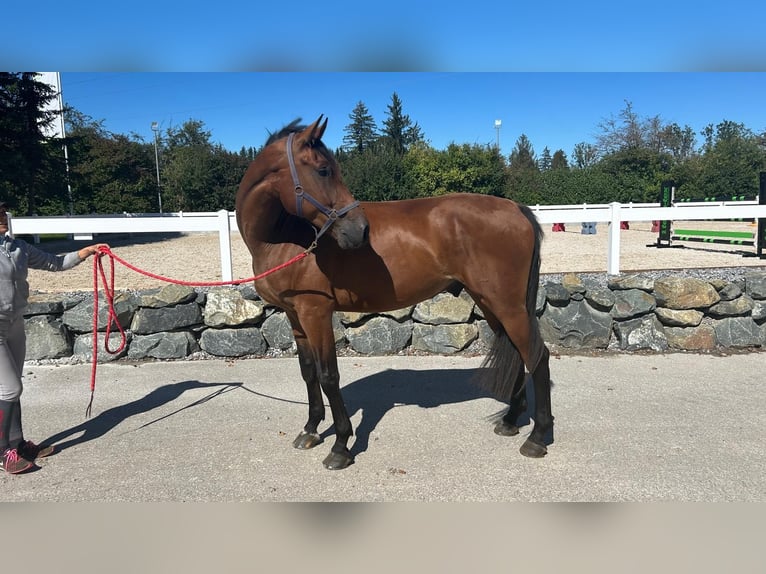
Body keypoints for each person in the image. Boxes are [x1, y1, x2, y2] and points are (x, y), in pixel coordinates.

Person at [0, 201, 107, 474]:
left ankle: (17, 443)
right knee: (10, 389)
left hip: (13, 323)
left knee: (11, 388)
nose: (1, 218)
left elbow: (54, 262)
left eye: (1, 212)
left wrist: (85, 252)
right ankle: (3, 453)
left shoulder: (17, 249)